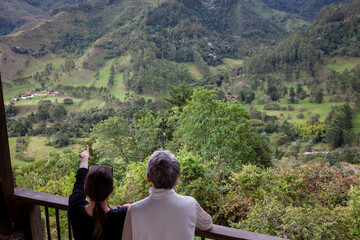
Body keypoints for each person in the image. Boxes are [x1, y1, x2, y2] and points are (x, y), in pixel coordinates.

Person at [122, 150, 212, 240]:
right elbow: (207, 224)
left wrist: (135, 207)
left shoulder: (134, 210)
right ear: (178, 176)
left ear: (148, 178)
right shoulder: (191, 204)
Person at [69, 145, 128, 240]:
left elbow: (79, 180)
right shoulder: (121, 217)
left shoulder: (75, 207)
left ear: (85, 188)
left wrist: (85, 158)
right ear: (111, 189)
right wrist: (131, 207)